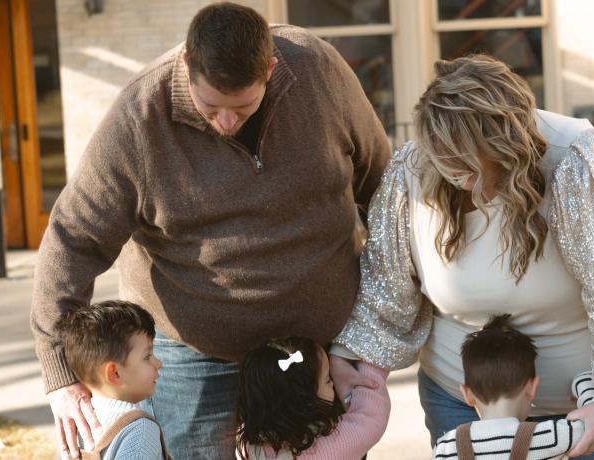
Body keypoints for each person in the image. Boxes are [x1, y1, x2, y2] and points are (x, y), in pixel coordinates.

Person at [30, 2, 390, 459]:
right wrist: (60, 372)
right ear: (187, 65)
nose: (224, 122)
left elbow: (381, 186)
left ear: (271, 70)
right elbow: (72, 238)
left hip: (313, 354)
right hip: (194, 354)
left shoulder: (318, 70)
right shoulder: (139, 119)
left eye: (241, 106)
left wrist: (373, 327)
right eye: (211, 105)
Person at [331, 54, 594, 459]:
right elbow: (387, 284)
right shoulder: (411, 170)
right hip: (467, 400)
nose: (449, 167)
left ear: (508, 143)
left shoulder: (578, 161)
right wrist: (351, 357)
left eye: (464, 157)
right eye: (440, 153)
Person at [432, 314, 594, 460]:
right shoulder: (550, 437)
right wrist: (584, 382)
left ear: (467, 394)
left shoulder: (447, 446)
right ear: (531, 388)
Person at [235, 336, 390, 459]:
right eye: (328, 379)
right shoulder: (332, 446)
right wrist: (371, 368)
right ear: (306, 400)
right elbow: (371, 416)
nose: (333, 384)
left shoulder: (253, 448)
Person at [55, 300, 169, 460]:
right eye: (147, 356)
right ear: (114, 373)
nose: (158, 363)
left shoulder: (77, 424)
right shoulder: (140, 430)